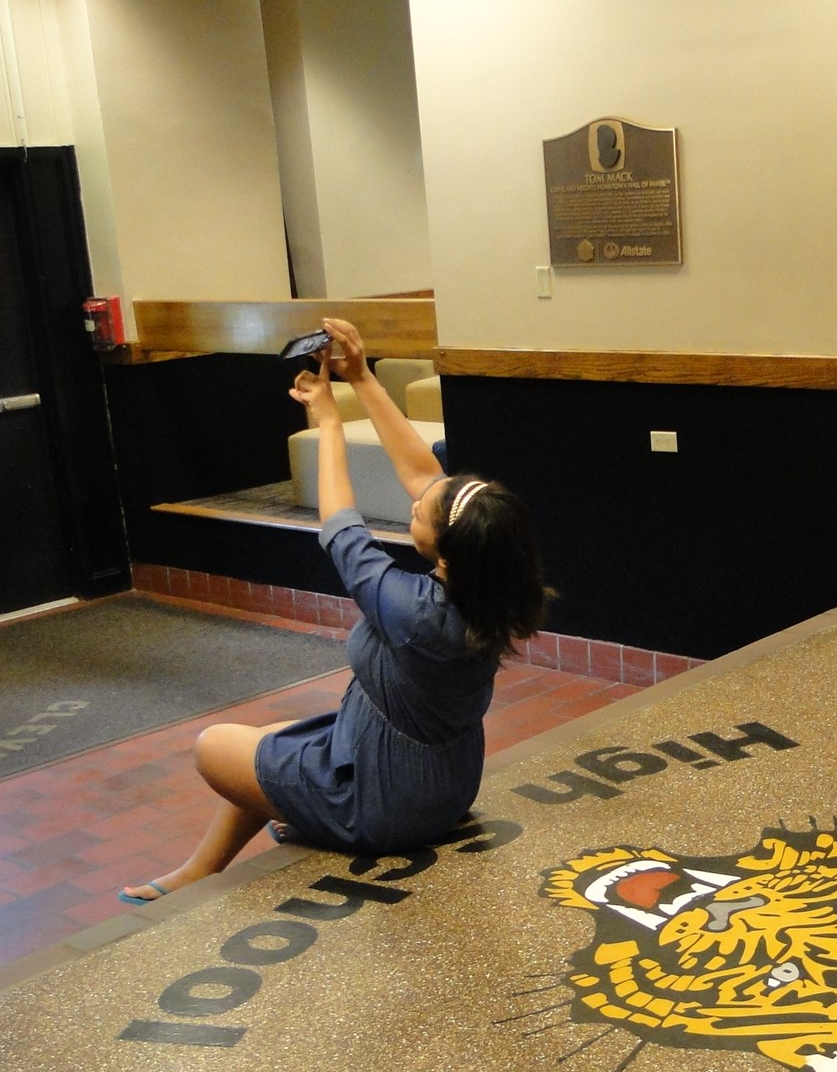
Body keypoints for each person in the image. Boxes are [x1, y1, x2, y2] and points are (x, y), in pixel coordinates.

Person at [120, 318, 548, 903]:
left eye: (421, 510)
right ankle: (203, 868)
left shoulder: (414, 611)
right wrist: (362, 378)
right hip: (442, 788)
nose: (416, 498)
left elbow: (341, 527)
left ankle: (327, 824)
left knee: (214, 746)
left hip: (388, 804)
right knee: (272, 738)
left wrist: (328, 421)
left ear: (448, 547)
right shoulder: (487, 586)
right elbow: (424, 474)